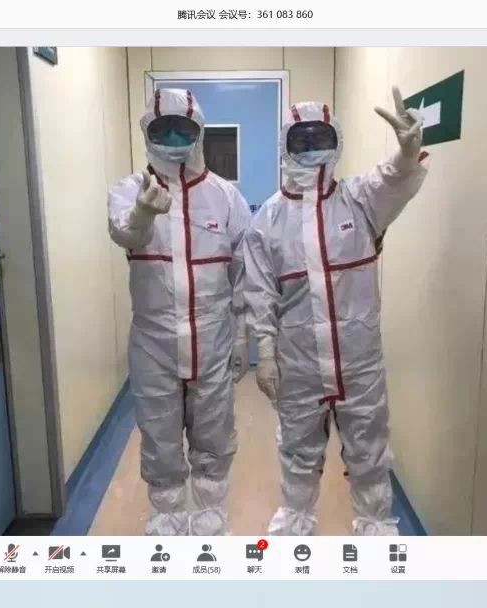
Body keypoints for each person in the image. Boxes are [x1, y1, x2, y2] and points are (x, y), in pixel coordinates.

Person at [244, 87, 429, 535]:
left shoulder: (360, 199)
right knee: (297, 451)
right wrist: (264, 352)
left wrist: (407, 155)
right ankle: (296, 527)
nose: (311, 148)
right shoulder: (267, 220)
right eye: (301, 140)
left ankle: (374, 528)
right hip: (300, 364)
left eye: (320, 138)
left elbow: (392, 180)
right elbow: (260, 292)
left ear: (337, 142)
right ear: (285, 146)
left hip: (358, 363)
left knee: (369, 452)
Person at [108, 88, 251, 536]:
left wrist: (242, 335)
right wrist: (143, 213)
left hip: (213, 340)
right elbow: (125, 234)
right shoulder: (129, 190)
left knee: (214, 432)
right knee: (159, 434)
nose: (173, 139)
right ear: (146, 132)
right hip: (154, 343)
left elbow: (244, 271)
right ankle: (168, 515)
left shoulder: (225, 197)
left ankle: (209, 515)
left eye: (182, 129)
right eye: (162, 129)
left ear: (198, 132)